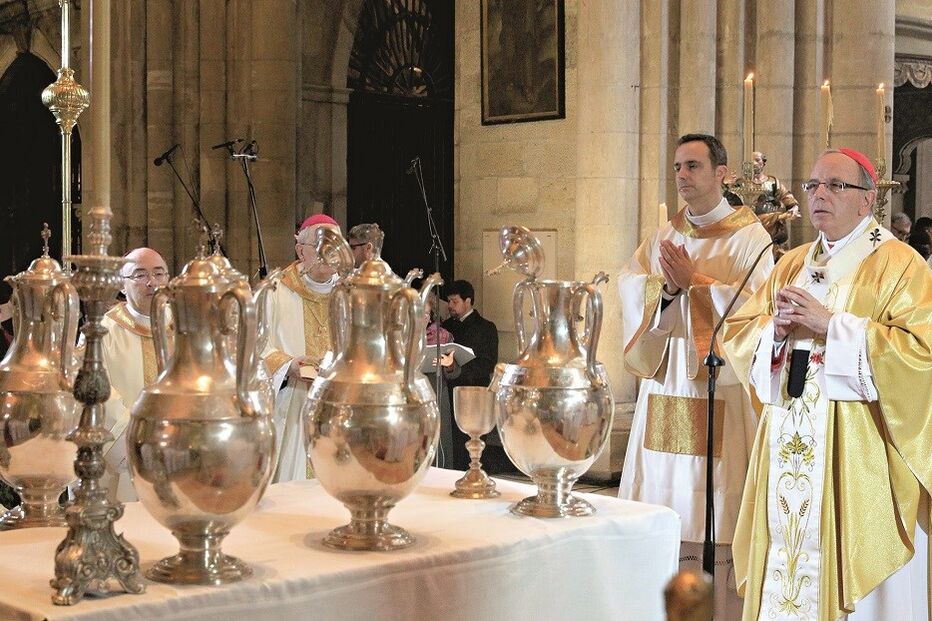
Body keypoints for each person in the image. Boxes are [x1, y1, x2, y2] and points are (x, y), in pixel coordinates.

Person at [723, 148, 932, 620]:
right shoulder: (789, 263)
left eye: (835, 186)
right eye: (813, 185)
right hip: (787, 447)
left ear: (867, 199)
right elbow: (741, 331)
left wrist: (832, 325)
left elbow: (921, 355)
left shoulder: (901, 264)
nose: (819, 195)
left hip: (862, 458)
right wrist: (771, 335)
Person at [617, 133, 774, 618]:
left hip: (719, 390)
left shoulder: (752, 238)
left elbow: (758, 312)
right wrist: (664, 293)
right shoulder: (665, 235)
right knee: (663, 497)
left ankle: (719, 605)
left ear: (721, 173)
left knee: (715, 504)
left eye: (692, 166)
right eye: (678, 167)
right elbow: (630, 284)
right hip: (666, 381)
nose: (682, 176)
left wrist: (696, 286)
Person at [261, 214, 341, 482]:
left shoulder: (352, 294)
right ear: (300, 250)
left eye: (334, 246)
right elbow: (251, 346)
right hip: (292, 408)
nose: (327, 254)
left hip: (341, 407)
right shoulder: (274, 291)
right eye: (320, 246)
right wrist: (287, 366)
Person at [99, 247, 171, 501]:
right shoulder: (103, 333)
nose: (152, 282)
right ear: (121, 284)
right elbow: (97, 393)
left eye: (159, 273)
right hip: (127, 457)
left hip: (180, 455)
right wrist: (135, 443)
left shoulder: (186, 327)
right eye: (140, 275)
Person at [441, 279, 499, 470]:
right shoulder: (446, 327)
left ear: (468, 301)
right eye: (448, 301)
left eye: (455, 302)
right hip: (449, 391)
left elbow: (488, 363)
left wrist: (459, 369)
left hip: (475, 391)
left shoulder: (486, 327)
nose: (450, 306)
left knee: (473, 441)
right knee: (452, 441)